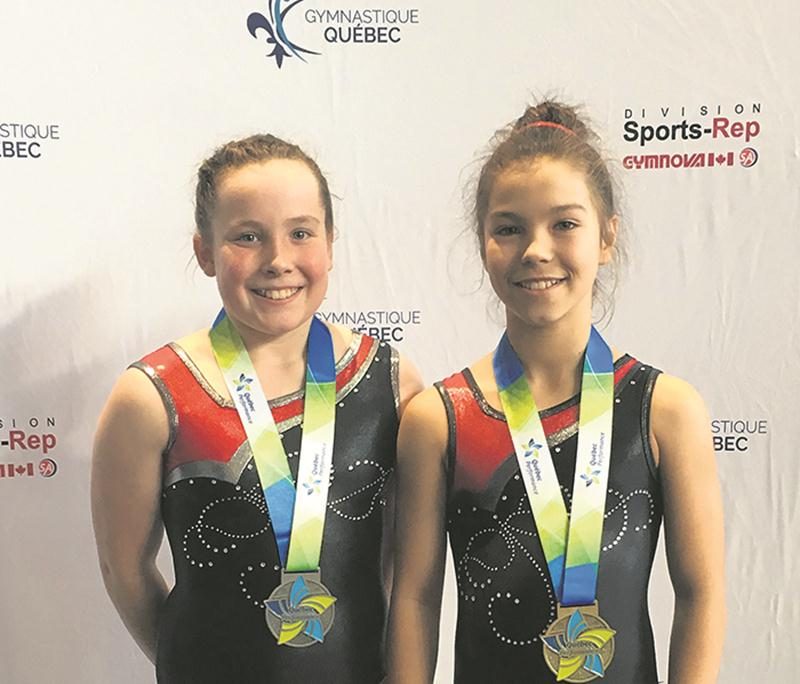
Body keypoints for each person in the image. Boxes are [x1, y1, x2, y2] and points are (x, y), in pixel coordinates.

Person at [387, 101, 725, 684]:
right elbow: (416, 598)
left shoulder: (665, 410)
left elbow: (701, 592)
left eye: (564, 224)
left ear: (606, 237)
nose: (536, 249)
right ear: (484, 241)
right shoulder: (439, 419)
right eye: (509, 227)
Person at [92, 134, 423, 684]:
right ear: (204, 251)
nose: (278, 261)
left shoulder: (391, 383)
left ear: (331, 244)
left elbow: (411, 573)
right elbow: (123, 571)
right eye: (247, 237)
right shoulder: (152, 397)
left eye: (300, 233)